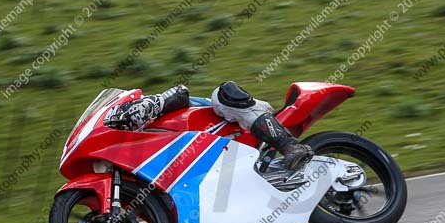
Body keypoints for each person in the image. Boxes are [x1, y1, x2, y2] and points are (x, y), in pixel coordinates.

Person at [105, 82, 314, 170]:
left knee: (224, 93)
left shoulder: (151, 111)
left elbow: (180, 93)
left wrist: (152, 104)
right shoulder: (140, 149)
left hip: (236, 123)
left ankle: (289, 146)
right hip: (218, 162)